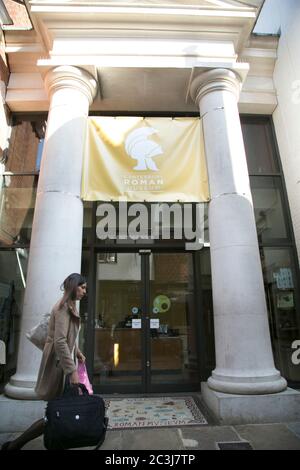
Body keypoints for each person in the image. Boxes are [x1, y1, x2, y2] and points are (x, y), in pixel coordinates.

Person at [1, 273, 87, 451]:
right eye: (82, 287)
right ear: (73, 287)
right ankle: (15, 445)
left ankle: (19, 445)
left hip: (61, 364)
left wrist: (77, 352)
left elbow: (67, 337)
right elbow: (60, 341)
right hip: (58, 366)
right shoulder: (63, 308)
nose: (84, 291)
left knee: (58, 410)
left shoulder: (70, 306)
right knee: (55, 412)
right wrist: (72, 371)